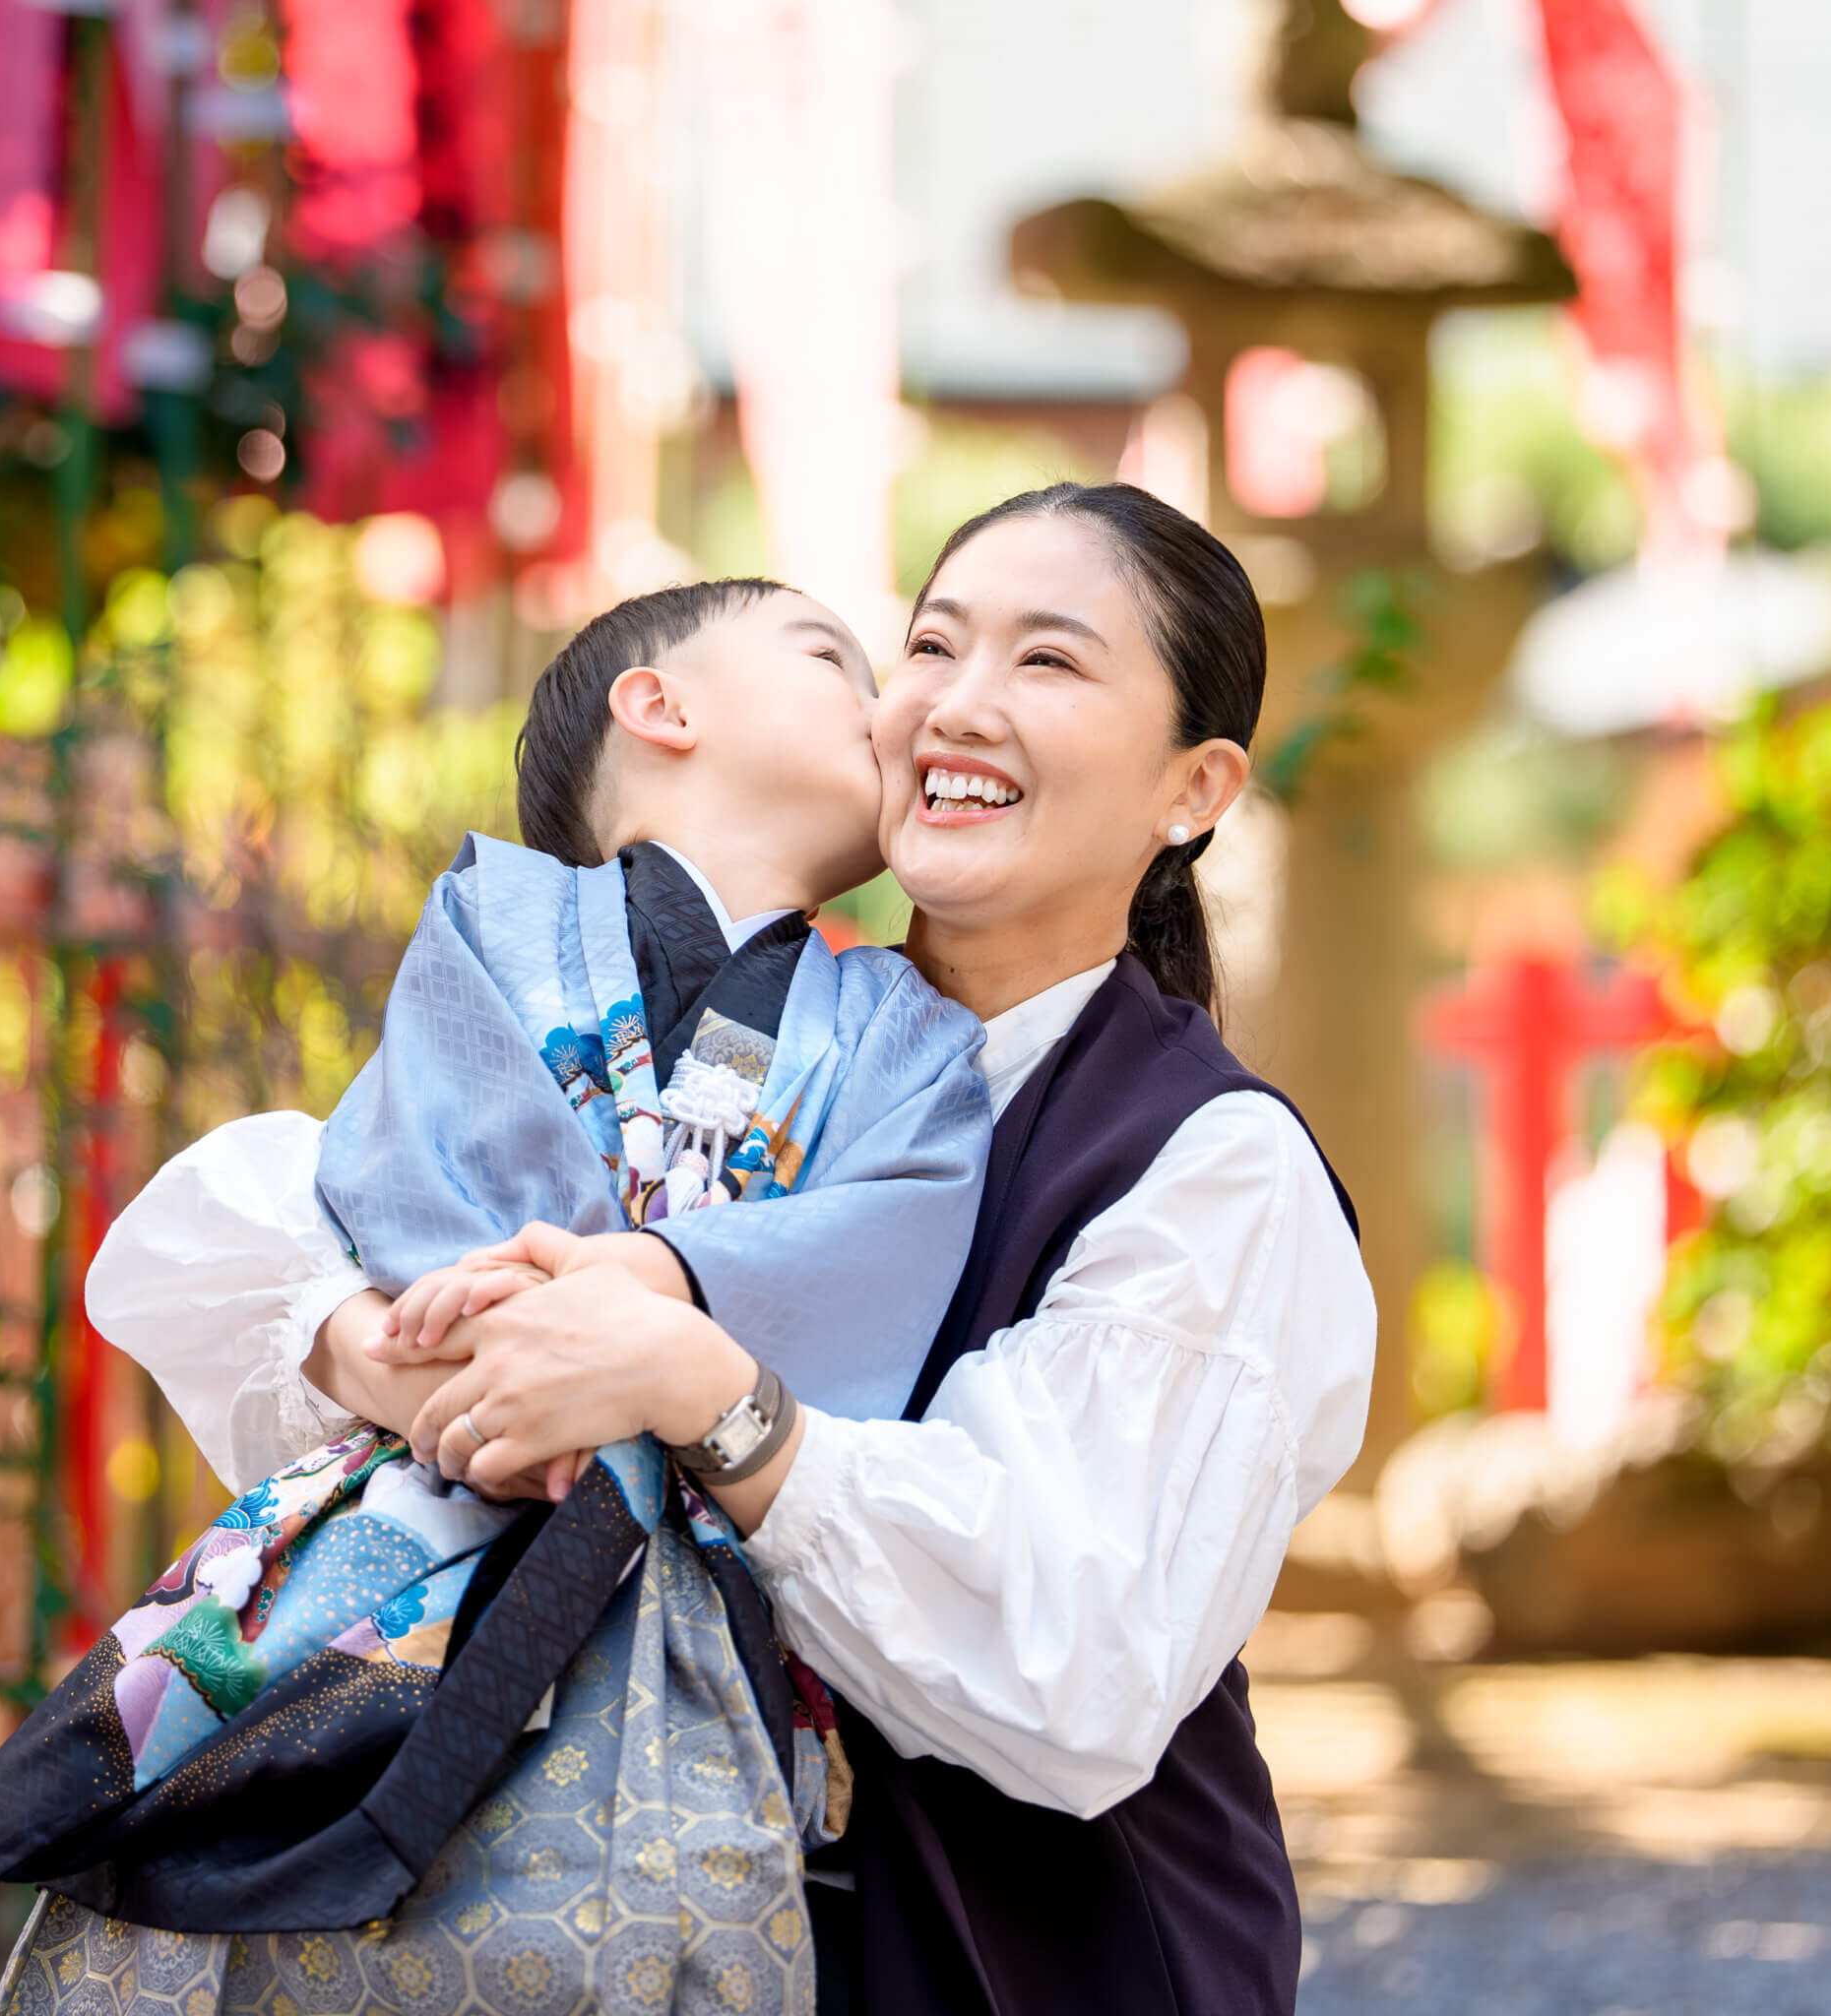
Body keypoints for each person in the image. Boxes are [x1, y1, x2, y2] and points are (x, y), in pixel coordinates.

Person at [117, 482, 1377, 2015]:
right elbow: (242, 1214)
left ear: (1195, 787)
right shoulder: (722, 1037)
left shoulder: (1212, 1166)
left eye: (1049, 663)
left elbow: (1073, 1664)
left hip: (1029, 1965)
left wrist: (697, 1383)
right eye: (929, 645)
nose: (957, 706)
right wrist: (385, 1342)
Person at [0, 577, 992, 2009]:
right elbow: (414, 1167)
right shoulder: (498, 917)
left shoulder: (906, 1033)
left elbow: (892, 1251)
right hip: (463, 1476)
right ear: (660, 706)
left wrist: (659, 1287)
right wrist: (516, 1348)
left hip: (697, 1563)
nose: (885, 708)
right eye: (829, 658)